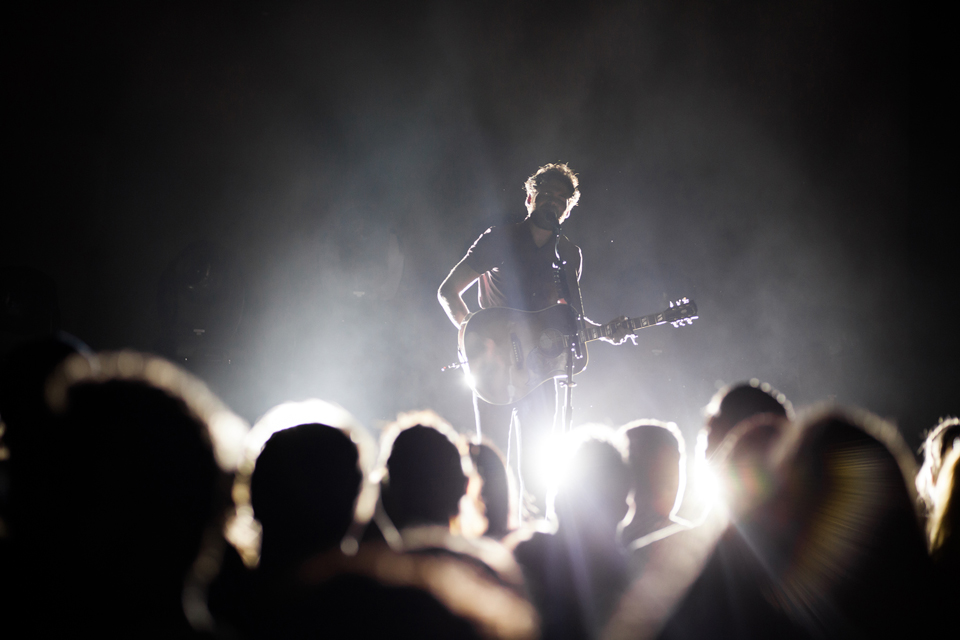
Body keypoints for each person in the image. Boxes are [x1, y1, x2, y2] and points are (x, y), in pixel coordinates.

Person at [438, 163, 626, 515]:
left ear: (569, 209)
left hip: (540, 369)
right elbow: (448, 291)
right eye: (547, 195)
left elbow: (565, 317)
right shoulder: (499, 239)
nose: (554, 202)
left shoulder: (569, 254)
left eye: (562, 198)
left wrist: (606, 329)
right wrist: (472, 338)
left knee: (538, 473)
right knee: (492, 468)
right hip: (493, 368)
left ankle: (535, 546)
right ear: (530, 198)